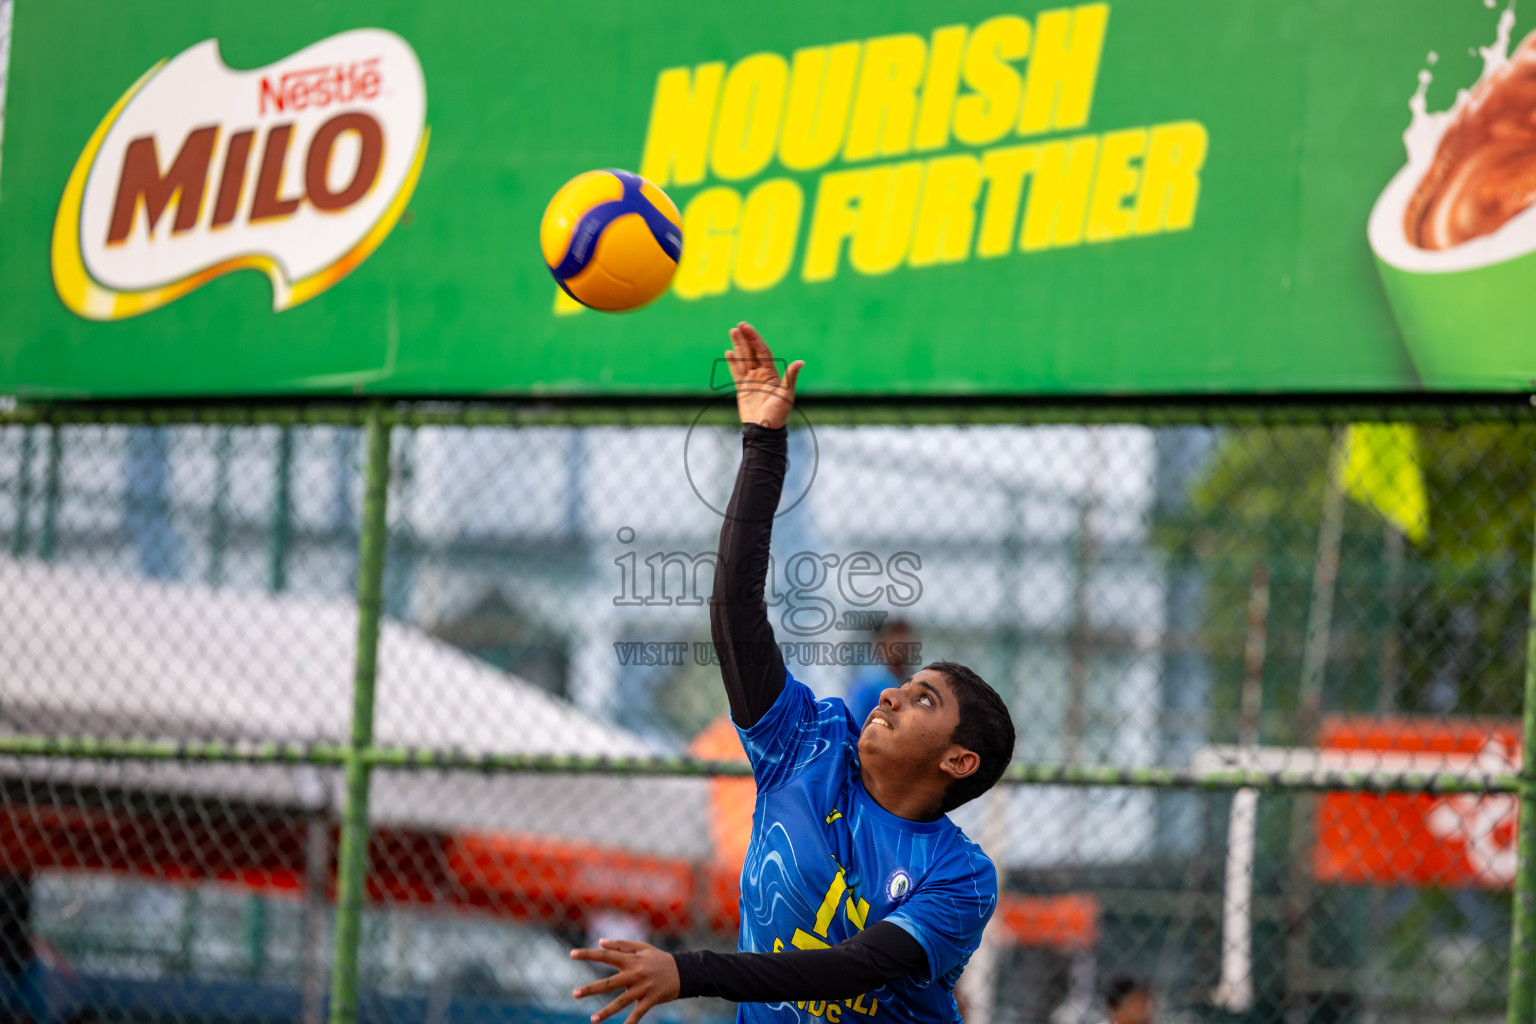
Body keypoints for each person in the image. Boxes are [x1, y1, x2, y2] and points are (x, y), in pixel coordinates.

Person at [571, 323, 1017, 1024]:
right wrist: (762, 447)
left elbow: (853, 968)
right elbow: (736, 613)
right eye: (907, 684)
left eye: (924, 698)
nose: (895, 693)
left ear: (960, 759)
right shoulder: (807, 748)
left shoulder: (959, 876)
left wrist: (687, 970)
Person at [845, 619, 918, 726]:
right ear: (882, 643)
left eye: (905, 634)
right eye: (896, 635)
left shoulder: (913, 680)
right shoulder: (869, 685)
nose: (904, 641)